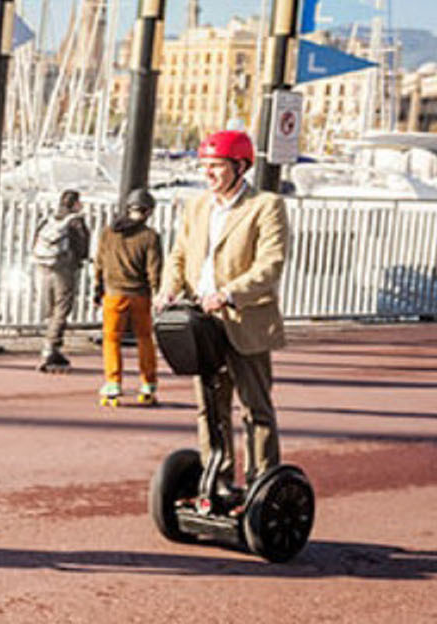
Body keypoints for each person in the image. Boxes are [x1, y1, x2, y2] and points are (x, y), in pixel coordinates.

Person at [156, 130, 289, 499]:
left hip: (245, 320)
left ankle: (263, 486)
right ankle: (218, 481)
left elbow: (271, 264)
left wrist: (230, 294)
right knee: (209, 408)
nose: (208, 173)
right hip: (202, 322)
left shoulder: (266, 205)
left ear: (240, 166)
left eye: (216, 166)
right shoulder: (198, 206)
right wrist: (169, 288)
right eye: (205, 166)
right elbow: (179, 256)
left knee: (255, 408)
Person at [93, 188, 163, 405]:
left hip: (113, 293)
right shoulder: (150, 236)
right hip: (140, 295)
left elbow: (99, 263)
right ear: (148, 211)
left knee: (111, 339)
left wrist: (97, 288)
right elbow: (154, 269)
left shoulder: (108, 232)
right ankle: (148, 384)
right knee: (144, 339)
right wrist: (158, 292)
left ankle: (113, 383)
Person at [33, 189, 90, 372]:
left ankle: (52, 344)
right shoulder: (75, 221)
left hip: (44, 265)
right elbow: (82, 245)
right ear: (75, 204)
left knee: (50, 306)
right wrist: (79, 259)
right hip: (64, 268)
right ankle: (51, 347)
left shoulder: (49, 219)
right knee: (62, 307)